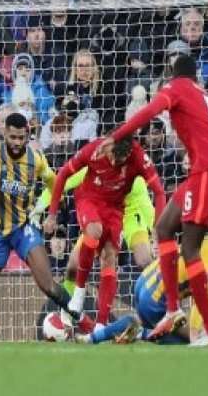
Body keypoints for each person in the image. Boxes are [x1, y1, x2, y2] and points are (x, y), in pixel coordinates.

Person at [98, 53, 208, 346]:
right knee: (164, 228)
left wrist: (118, 135)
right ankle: (172, 309)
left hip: (207, 171)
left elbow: (149, 111)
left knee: (190, 248)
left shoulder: (177, 88)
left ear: (173, 75)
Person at [0, 112, 87, 341]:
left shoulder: (37, 158)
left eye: (21, 137)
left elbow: (55, 181)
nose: (17, 143)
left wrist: (57, 204)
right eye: (12, 137)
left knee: (48, 285)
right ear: (4, 133)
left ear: (27, 135)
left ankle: (83, 321)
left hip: (25, 228)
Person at [44, 136, 166, 326]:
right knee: (73, 265)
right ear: (108, 146)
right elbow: (63, 177)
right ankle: (70, 308)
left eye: (121, 160)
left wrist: (157, 228)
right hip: (93, 203)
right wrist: (47, 211)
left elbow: (157, 193)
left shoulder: (139, 159)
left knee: (138, 260)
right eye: (112, 158)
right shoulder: (94, 151)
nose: (115, 164)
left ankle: (152, 316)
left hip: (127, 210)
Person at [79, 214, 208, 345]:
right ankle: (139, 333)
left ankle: (92, 338)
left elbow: (205, 293)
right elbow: (201, 293)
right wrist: (195, 333)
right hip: (155, 298)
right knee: (191, 340)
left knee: (150, 323)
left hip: (144, 281)